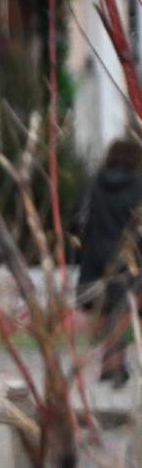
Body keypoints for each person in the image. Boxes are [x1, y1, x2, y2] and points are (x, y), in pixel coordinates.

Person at [76, 136, 142, 384]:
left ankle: (110, 363)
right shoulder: (139, 187)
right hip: (129, 263)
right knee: (123, 313)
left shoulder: (93, 186)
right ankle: (115, 364)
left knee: (106, 313)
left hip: (95, 262)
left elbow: (76, 221)